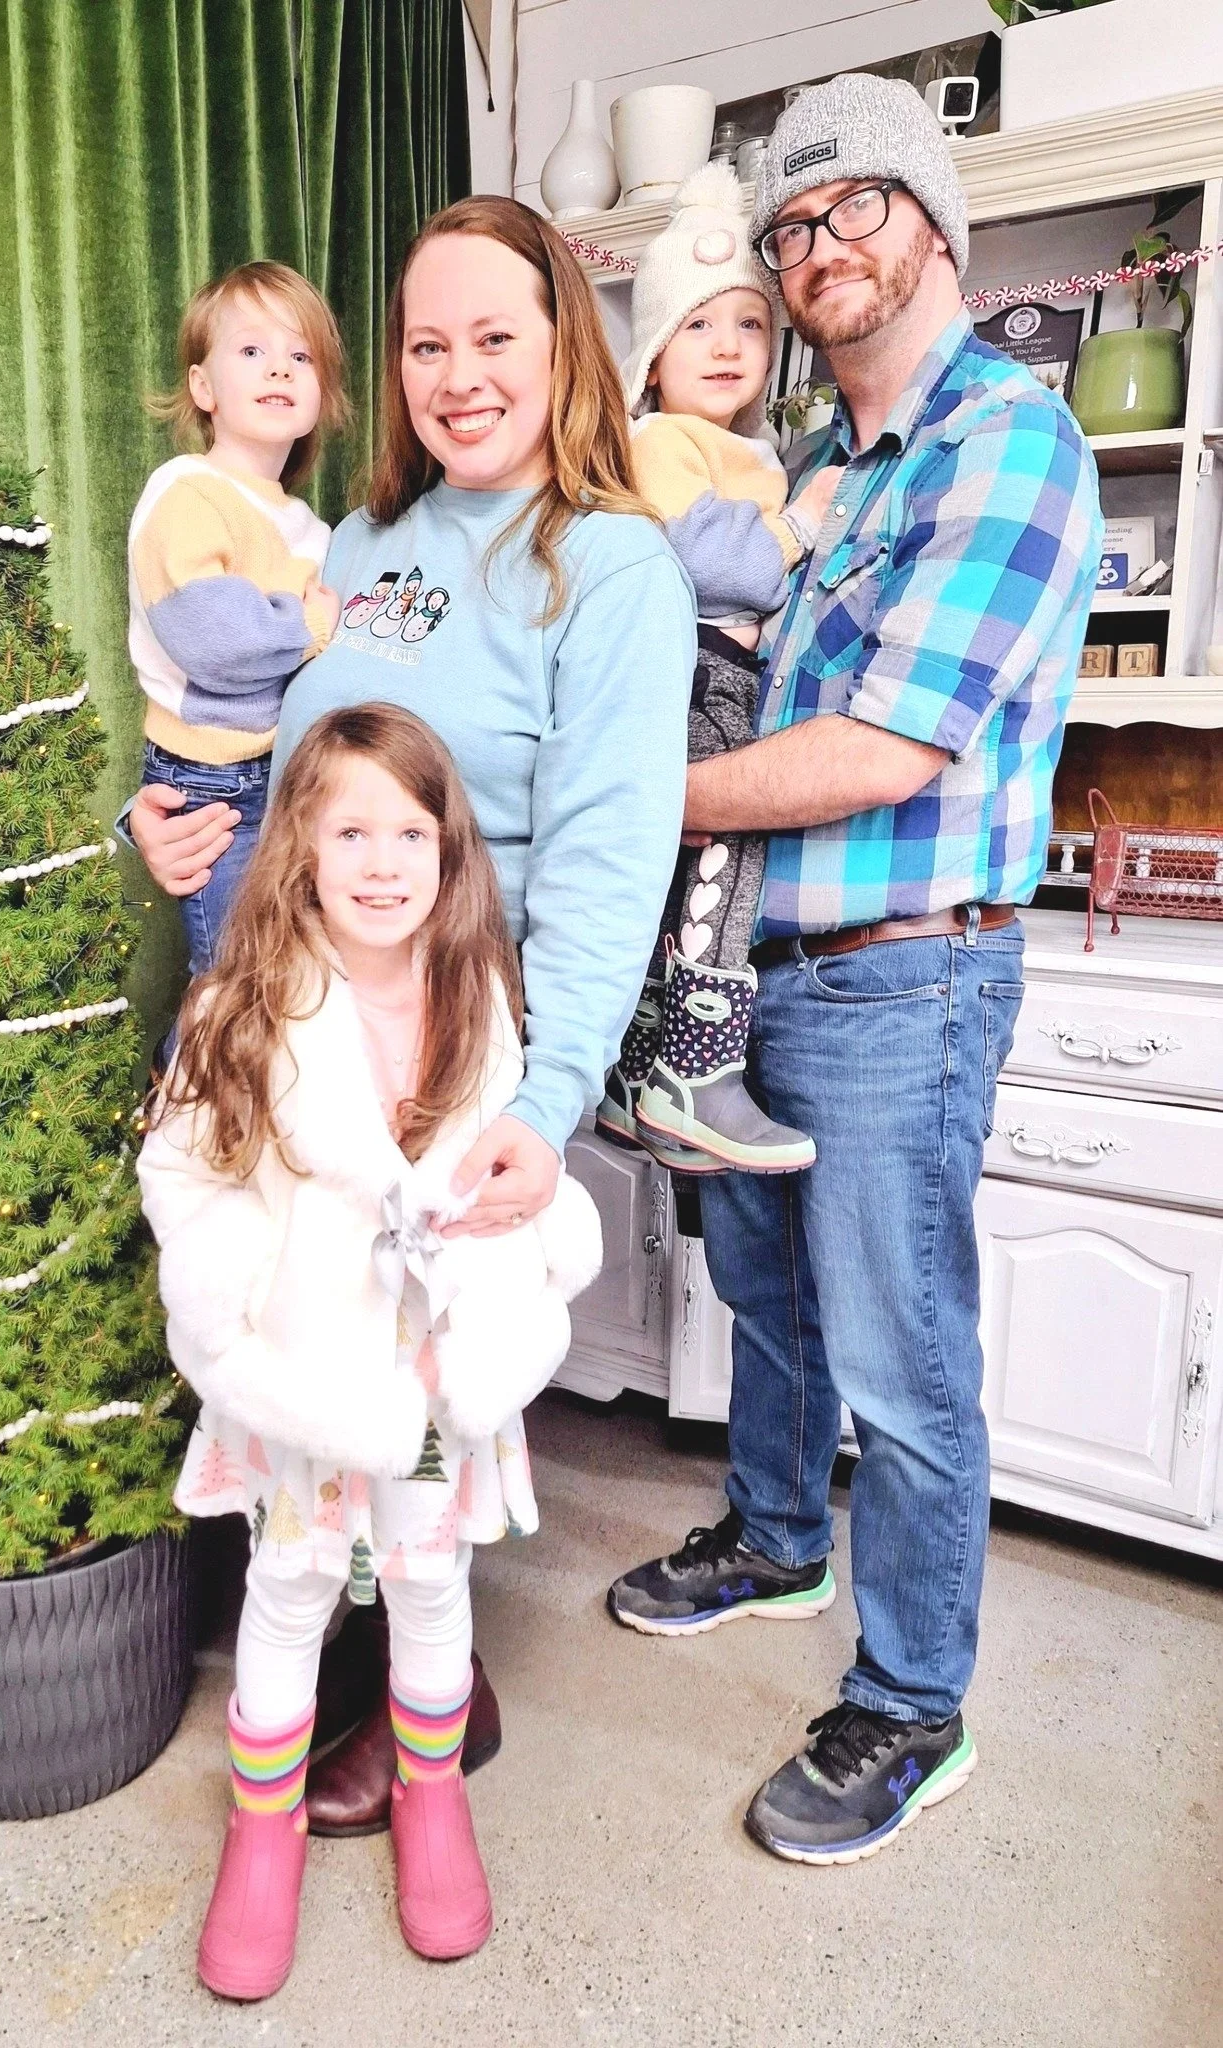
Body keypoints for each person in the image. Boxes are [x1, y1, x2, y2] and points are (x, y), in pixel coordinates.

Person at [125, 198, 697, 1827]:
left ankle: (425, 1681)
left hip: (447, 1039)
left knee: (427, 1357)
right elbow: (266, 756)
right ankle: (326, 1625)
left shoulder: (613, 563)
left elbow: (608, 851)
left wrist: (548, 1093)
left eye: (495, 336)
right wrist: (167, 822)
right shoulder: (358, 542)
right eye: (426, 344)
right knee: (296, 1329)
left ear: (565, 346)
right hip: (288, 1012)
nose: (458, 375)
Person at [608, 73, 1103, 1865]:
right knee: (767, 1299)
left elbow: (892, 744)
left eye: (855, 208)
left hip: (906, 978)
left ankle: (910, 1699)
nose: (819, 246)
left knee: (901, 1358)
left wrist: (632, 797)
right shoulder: (804, 469)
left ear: (937, 227)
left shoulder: (1010, 443)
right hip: (760, 973)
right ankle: (773, 1536)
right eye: (792, 226)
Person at [138, 704, 603, 1990]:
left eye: (410, 833)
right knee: (287, 1587)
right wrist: (234, 1306)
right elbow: (182, 1171)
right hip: (310, 1374)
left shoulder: (480, 997)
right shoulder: (244, 1004)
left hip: (433, 1374)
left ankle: (430, 1791)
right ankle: (262, 1827)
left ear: (449, 852)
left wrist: (524, 1239)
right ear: (300, 845)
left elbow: (504, 1164)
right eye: (350, 831)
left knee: (430, 1580)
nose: (383, 862)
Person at [598, 162, 840, 1174]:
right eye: (697, 325)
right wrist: (798, 526)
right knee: (722, 848)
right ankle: (695, 1069)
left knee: (687, 862)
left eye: (748, 324)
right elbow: (718, 563)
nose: (728, 346)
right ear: (653, 354)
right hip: (695, 668)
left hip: (715, 667)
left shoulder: (736, 446)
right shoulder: (660, 441)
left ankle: (635, 1070)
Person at [130, 260, 348, 976]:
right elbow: (215, 640)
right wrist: (310, 626)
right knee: (236, 979)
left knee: (290, 974)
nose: (279, 369)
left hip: (285, 773)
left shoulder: (311, 528)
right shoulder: (187, 490)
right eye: (251, 350)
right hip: (213, 778)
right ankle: (193, 1055)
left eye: (300, 356)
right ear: (203, 387)